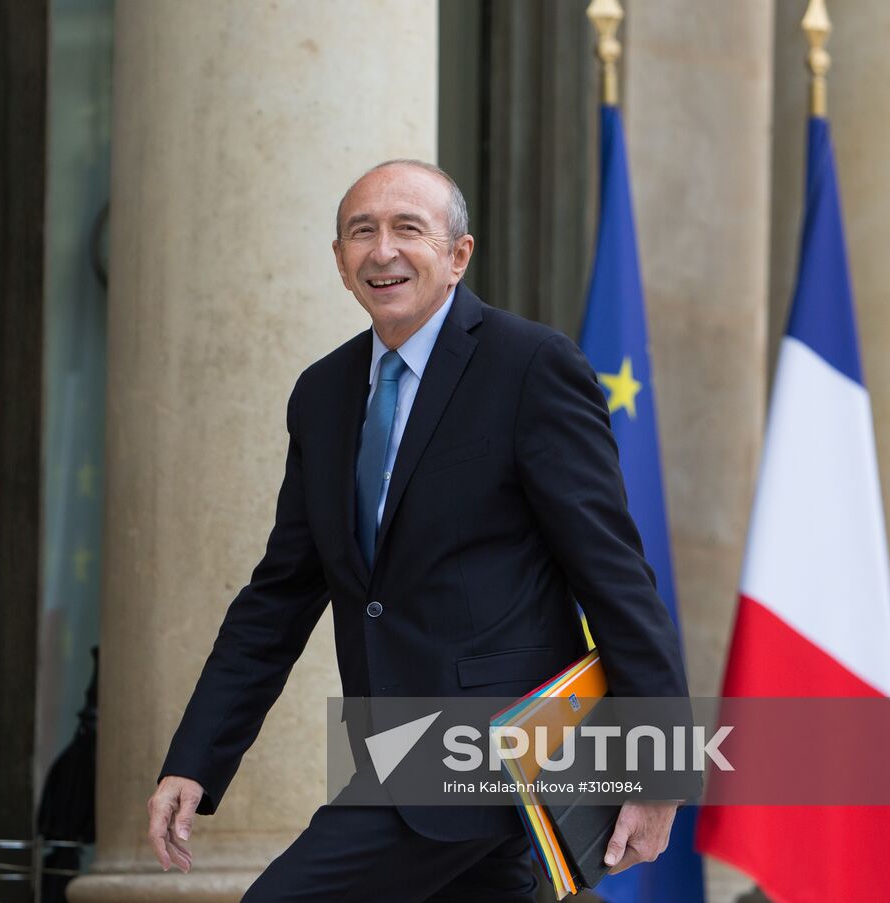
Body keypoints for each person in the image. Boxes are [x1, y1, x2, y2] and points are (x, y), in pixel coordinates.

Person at [147, 160, 691, 901]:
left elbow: (615, 573)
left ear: (458, 255)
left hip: (490, 756)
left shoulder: (529, 366)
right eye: (360, 232)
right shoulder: (322, 393)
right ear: (339, 260)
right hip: (391, 752)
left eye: (409, 228)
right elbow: (278, 597)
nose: (382, 251)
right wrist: (196, 757)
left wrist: (657, 764)